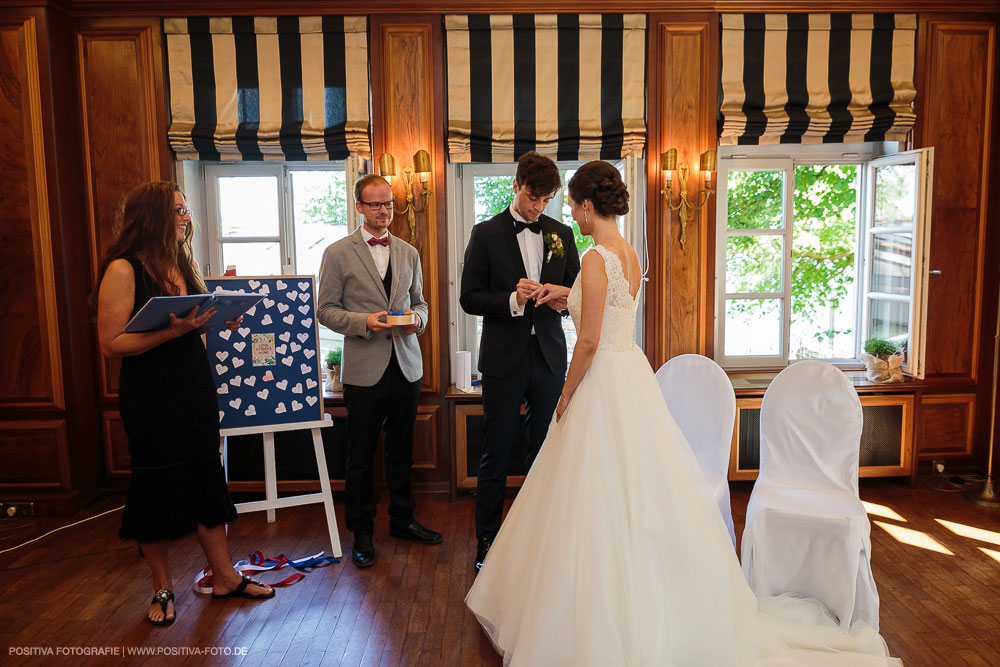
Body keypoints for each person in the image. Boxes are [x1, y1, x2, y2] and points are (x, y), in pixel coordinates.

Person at [465, 162, 901, 666]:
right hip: (629, 373)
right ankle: (651, 589)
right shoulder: (626, 254)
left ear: (586, 206)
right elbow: (609, 312)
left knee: (591, 489)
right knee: (637, 489)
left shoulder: (591, 257)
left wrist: (566, 393)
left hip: (599, 377)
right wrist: (563, 295)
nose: (571, 216)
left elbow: (586, 340)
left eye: (574, 207)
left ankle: (594, 607)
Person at [96, 181, 274, 627]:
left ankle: (225, 577)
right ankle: (162, 587)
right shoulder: (122, 269)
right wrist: (173, 332)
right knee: (156, 489)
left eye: (186, 209)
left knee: (205, 480)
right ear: (151, 216)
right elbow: (110, 342)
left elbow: (188, 326)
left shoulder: (181, 263)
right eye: (176, 210)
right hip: (151, 396)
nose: (185, 217)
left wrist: (214, 320)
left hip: (194, 388)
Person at [460, 152, 581, 571]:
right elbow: (469, 298)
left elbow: (578, 297)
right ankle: (488, 545)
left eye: (546, 199)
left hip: (549, 358)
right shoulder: (486, 233)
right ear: (516, 185)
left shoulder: (562, 233)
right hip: (503, 360)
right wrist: (512, 300)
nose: (538, 206)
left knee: (544, 452)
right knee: (496, 452)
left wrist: (558, 298)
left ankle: (539, 540)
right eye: (533, 197)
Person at [317, 174, 440, 569]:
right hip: (363, 369)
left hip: (406, 365)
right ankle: (362, 532)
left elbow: (420, 304)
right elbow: (324, 310)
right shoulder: (337, 253)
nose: (383, 210)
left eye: (387, 203)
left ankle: (402, 520)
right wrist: (363, 322)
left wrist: (418, 322)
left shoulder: (408, 252)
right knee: (360, 455)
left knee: (401, 451)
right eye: (375, 204)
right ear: (358, 207)